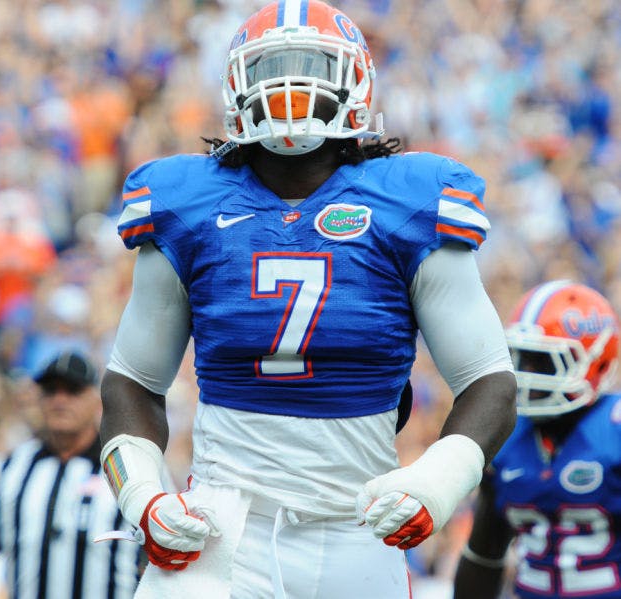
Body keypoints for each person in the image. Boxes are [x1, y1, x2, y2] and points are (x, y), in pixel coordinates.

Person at [99, 1, 516, 597]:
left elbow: (490, 382)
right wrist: (142, 495)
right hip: (223, 522)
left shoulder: (410, 202)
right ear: (236, 84)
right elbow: (131, 381)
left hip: (360, 525)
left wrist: (435, 484)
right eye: (270, 68)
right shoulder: (188, 203)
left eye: (311, 66)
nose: (288, 87)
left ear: (355, 80)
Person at [453, 280, 621, 599]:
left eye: (541, 362)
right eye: (522, 358)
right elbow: (484, 555)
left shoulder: (614, 431)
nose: (527, 374)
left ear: (595, 360)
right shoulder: (506, 437)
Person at [0, 350, 143, 599]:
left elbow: (160, 556)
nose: (60, 400)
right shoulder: (7, 469)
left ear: (97, 400)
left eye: (73, 391)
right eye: (50, 391)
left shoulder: (130, 468)